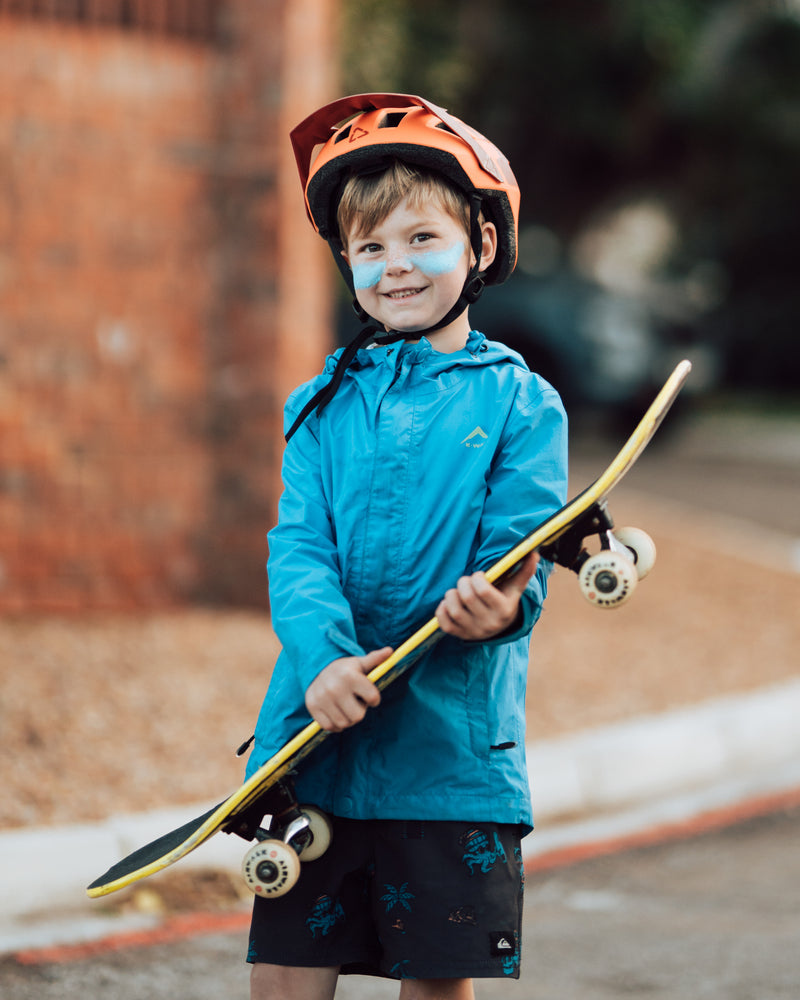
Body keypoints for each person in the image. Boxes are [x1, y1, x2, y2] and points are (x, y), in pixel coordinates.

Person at [245, 93, 568, 1000]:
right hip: (316, 742)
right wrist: (322, 663)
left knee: (434, 984)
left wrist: (502, 604)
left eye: (421, 239)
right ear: (347, 263)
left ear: (481, 247)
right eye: (371, 249)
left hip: (447, 765)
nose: (396, 268)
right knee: (284, 976)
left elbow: (523, 547)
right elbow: (298, 548)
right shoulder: (316, 408)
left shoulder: (520, 404)